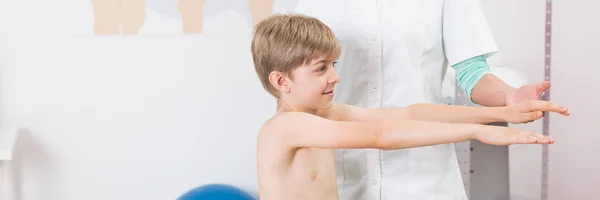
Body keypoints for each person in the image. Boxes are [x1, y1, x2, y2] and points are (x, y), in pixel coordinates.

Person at [251, 14, 569, 200]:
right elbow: (381, 135)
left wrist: (498, 113)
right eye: (321, 69)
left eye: (334, 64)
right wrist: (475, 131)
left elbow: (410, 113)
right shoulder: (285, 128)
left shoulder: (323, 114)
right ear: (281, 81)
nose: (336, 76)